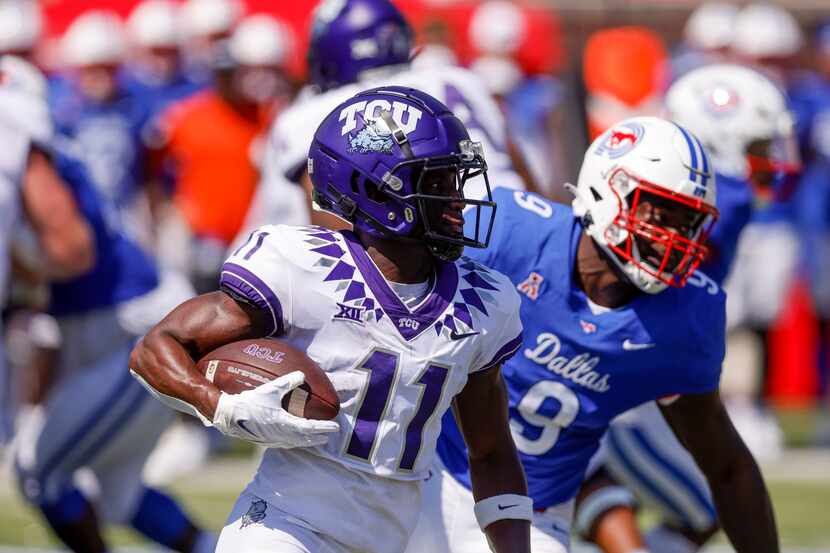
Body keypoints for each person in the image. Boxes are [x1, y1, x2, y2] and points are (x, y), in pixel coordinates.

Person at [130, 86, 532, 553]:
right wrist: (222, 406)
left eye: (457, 183)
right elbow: (155, 348)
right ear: (376, 189)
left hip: (392, 538)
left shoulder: (483, 302)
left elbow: (492, 452)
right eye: (438, 184)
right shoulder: (302, 268)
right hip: (282, 526)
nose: (459, 203)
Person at [409, 117, 780, 553]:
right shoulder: (509, 234)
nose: (672, 240)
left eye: (688, 224)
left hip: (531, 512)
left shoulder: (685, 317)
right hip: (423, 469)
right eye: (660, 214)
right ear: (608, 191)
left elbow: (728, 466)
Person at [575, 65, 800, 553]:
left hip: (633, 361)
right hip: (628, 373)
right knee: (708, 502)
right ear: (722, 137)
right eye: (759, 146)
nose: (770, 162)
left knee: (704, 498)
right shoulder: (730, 198)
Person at [7, 56, 212, 553]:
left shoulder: (29, 149)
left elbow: (72, 251)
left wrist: (20, 269)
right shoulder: (58, 152)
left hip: (131, 330)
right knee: (120, 495)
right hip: (110, 324)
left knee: (39, 471)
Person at [236, 0, 528, 243]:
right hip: (516, 218)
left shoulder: (310, 112)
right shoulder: (462, 79)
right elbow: (518, 167)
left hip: (440, 242)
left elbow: (327, 214)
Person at [148, 14, 293, 293]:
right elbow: (152, 163)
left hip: (253, 239)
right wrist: (166, 211)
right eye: (223, 74)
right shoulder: (188, 116)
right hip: (201, 238)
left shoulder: (268, 116)